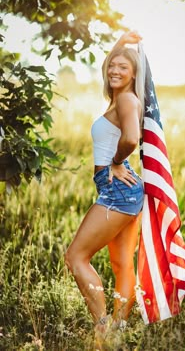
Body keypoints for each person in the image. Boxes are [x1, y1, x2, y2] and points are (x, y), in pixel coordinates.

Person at [64, 31, 144, 344]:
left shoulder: (125, 99)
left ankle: (102, 326)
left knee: (75, 257)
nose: (115, 71)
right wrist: (120, 45)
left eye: (123, 68)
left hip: (118, 189)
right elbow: (112, 65)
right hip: (125, 190)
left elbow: (130, 139)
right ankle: (118, 331)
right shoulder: (122, 96)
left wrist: (115, 162)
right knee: (122, 263)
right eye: (112, 66)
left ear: (134, 73)